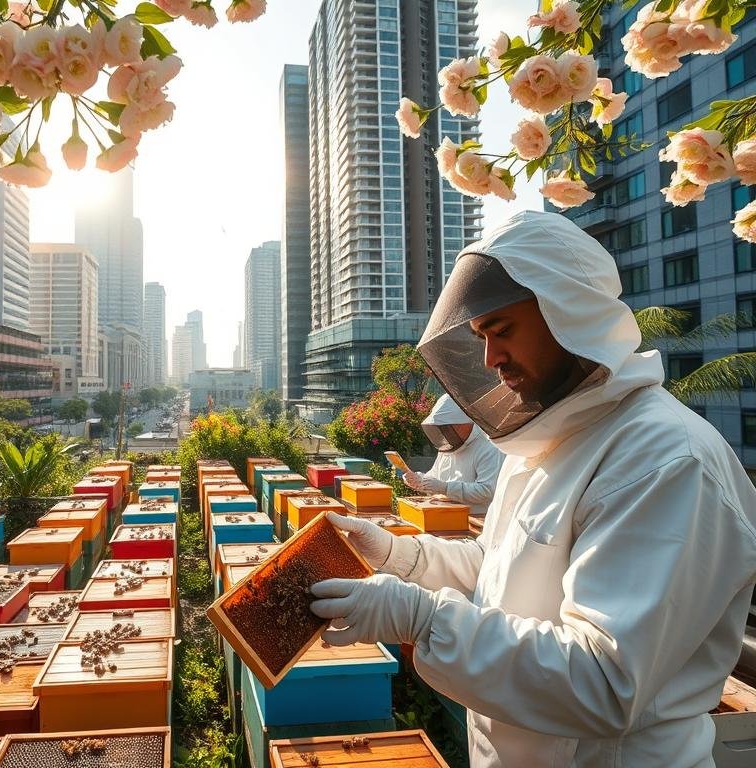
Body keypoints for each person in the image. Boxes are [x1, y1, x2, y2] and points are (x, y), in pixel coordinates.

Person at [309, 210, 756, 767]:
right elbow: (502, 568)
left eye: (501, 330)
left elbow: (603, 679)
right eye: (480, 338)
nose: (491, 360)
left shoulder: (665, 458)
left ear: (567, 309)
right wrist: (401, 556)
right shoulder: (551, 440)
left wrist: (422, 618)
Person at [404, 394, 502, 517]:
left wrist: (446, 488)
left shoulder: (489, 447)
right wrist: (420, 480)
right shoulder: (447, 446)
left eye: (446, 428)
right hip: (444, 515)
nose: (444, 433)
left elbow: (487, 491)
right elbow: (436, 477)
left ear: (463, 423)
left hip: (476, 519)